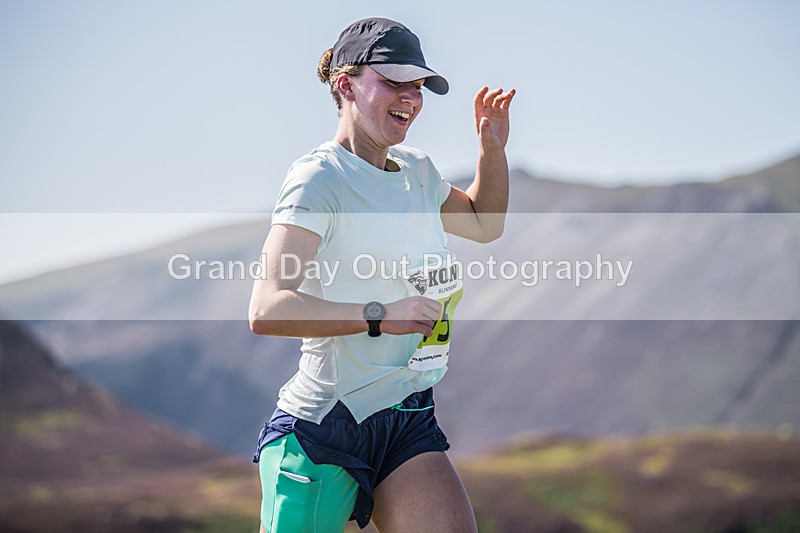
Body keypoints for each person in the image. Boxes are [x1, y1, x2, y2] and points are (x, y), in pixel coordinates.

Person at [249, 16, 515, 533]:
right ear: (346, 85)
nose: (411, 97)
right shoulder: (319, 178)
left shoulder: (418, 171)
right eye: (395, 81)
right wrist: (380, 315)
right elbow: (267, 308)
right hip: (325, 427)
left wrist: (492, 151)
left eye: (419, 85)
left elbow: (485, 224)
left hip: (406, 416)